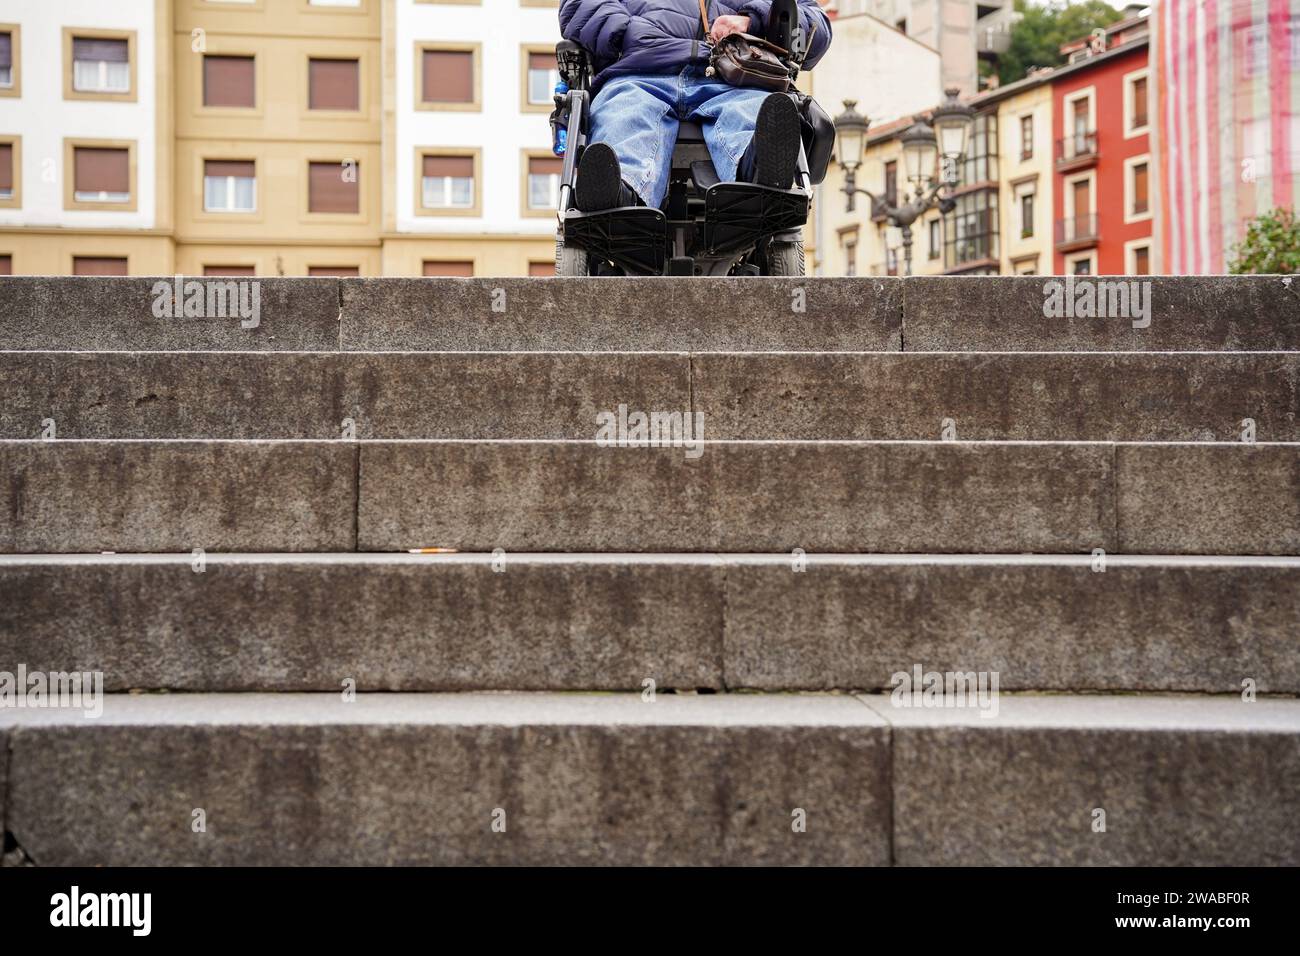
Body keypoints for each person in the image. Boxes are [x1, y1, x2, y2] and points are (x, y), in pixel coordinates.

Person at [558, 0, 832, 212]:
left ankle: (760, 173)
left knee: (752, 114)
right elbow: (580, 7)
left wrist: (753, 21)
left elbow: (813, 23)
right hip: (641, 70)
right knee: (626, 116)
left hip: (732, 75)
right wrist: (629, 31)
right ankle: (619, 193)